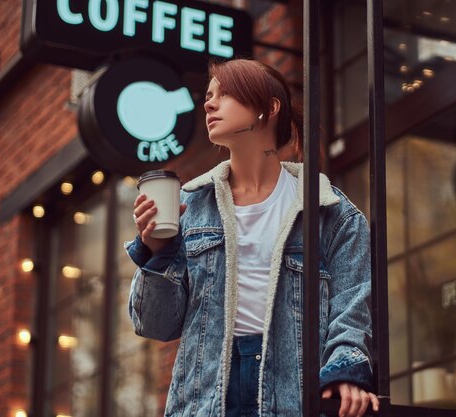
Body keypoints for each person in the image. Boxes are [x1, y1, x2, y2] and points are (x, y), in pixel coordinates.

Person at [126, 58, 379, 417]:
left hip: (293, 392)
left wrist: (346, 371)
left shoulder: (331, 212)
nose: (209, 104)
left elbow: (351, 309)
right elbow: (155, 325)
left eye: (224, 94)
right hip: (205, 397)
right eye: (208, 96)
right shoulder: (190, 206)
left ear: (269, 108)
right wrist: (155, 252)